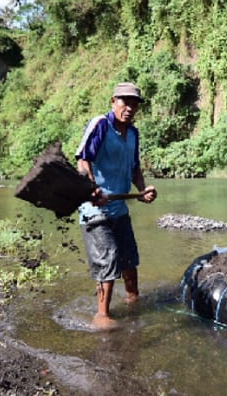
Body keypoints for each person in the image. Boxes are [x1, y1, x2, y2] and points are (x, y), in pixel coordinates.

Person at [75, 82, 157, 329]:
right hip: (95, 209)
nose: (129, 107)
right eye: (124, 102)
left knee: (130, 260)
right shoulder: (100, 124)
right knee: (108, 259)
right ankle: (102, 315)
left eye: (134, 104)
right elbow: (83, 159)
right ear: (113, 101)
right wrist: (92, 189)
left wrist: (142, 190)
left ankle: (134, 301)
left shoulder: (133, 134)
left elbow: (134, 167)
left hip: (119, 208)